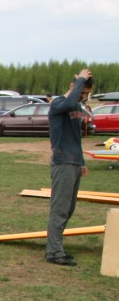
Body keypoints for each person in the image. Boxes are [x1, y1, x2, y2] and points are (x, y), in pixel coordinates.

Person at [46, 69, 94, 267]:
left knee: (69, 208)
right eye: (82, 93)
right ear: (74, 87)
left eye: (86, 94)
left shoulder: (76, 107)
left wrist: (81, 161)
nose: (83, 98)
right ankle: (54, 252)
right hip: (62, 162)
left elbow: (76, 136)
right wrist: (81, 80)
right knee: (60, 209)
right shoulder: (59, 104)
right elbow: (68, 101)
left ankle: (58, 247)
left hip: (73, 162)